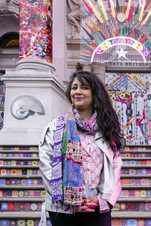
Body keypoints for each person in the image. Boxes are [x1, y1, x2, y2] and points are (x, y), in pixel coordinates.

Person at [39, 70, 124, 226]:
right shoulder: (56, 128)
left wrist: (102, 199)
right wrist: (71, 199)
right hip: (63, 210)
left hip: (96, 208)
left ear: (95, 93)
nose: (77, 91)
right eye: (74, 87)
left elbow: (115, 167)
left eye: (84, 87)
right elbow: (47, 167)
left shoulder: (106, 130)